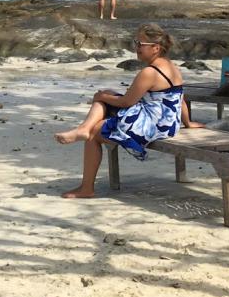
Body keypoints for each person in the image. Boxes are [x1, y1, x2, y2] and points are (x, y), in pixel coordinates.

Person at [54, 23, 203, 198]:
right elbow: (179, 99)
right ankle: (83, 129)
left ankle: (87, 187)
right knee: (107, 96)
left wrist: (100, 97)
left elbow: (126, 101)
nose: (136, 48)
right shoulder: (171, 67)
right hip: (167, 123)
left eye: (140, 44)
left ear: (155, 48)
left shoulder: (150, 72)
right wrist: (187, 122)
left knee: (97, 130)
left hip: (155, 124)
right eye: (135, 43)